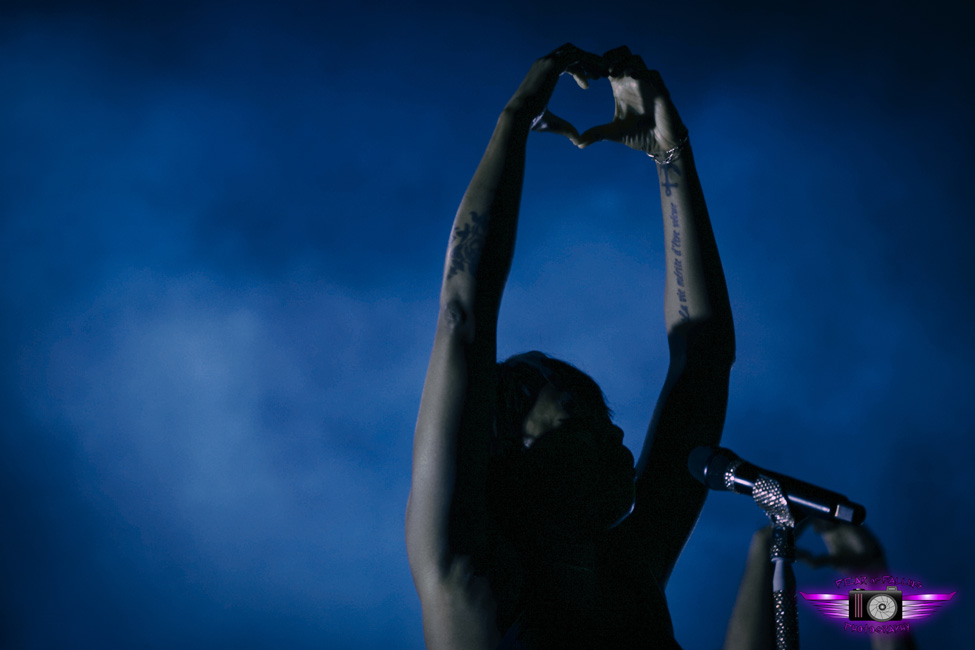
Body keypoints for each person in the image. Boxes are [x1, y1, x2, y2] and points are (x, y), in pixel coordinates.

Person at [405, 44, 735, 649]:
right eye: (580, 415)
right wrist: (516, 118)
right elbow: (463, 315)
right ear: (509, 446)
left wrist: (670, 153)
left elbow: (705, 356)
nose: (617, 437)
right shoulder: (471, 572)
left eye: (606, 418)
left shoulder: (630, 572)